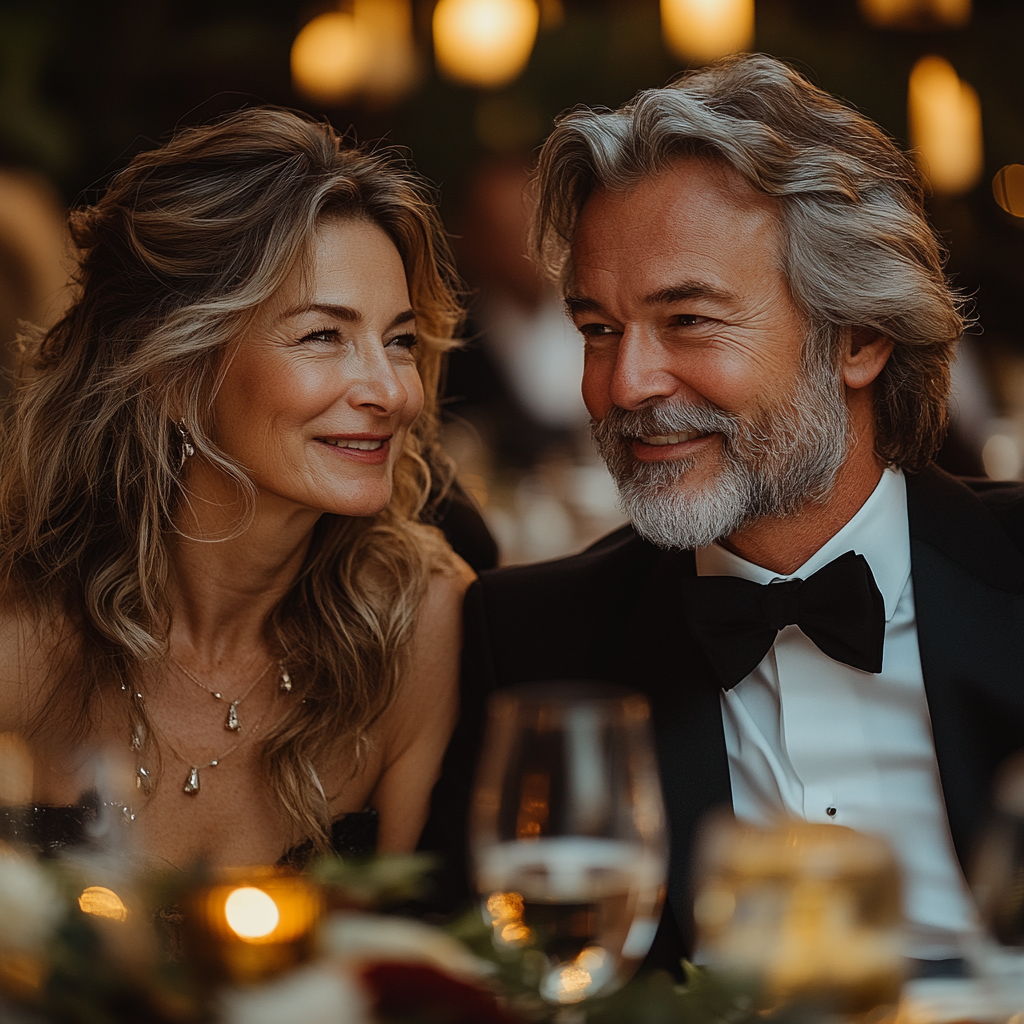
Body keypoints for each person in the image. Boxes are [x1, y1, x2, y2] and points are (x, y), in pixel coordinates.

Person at [424, 54, 1024, 973]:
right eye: (597, 330)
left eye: (690, 321)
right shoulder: (536, 646)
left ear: (858, 338)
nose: (626, 385)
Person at [0, 107, 481, 868]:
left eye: (399, 341)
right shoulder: (19, 633)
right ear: (173, 375)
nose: (392, 392)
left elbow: (415, 962)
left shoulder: (414, 624)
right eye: (324, 335)